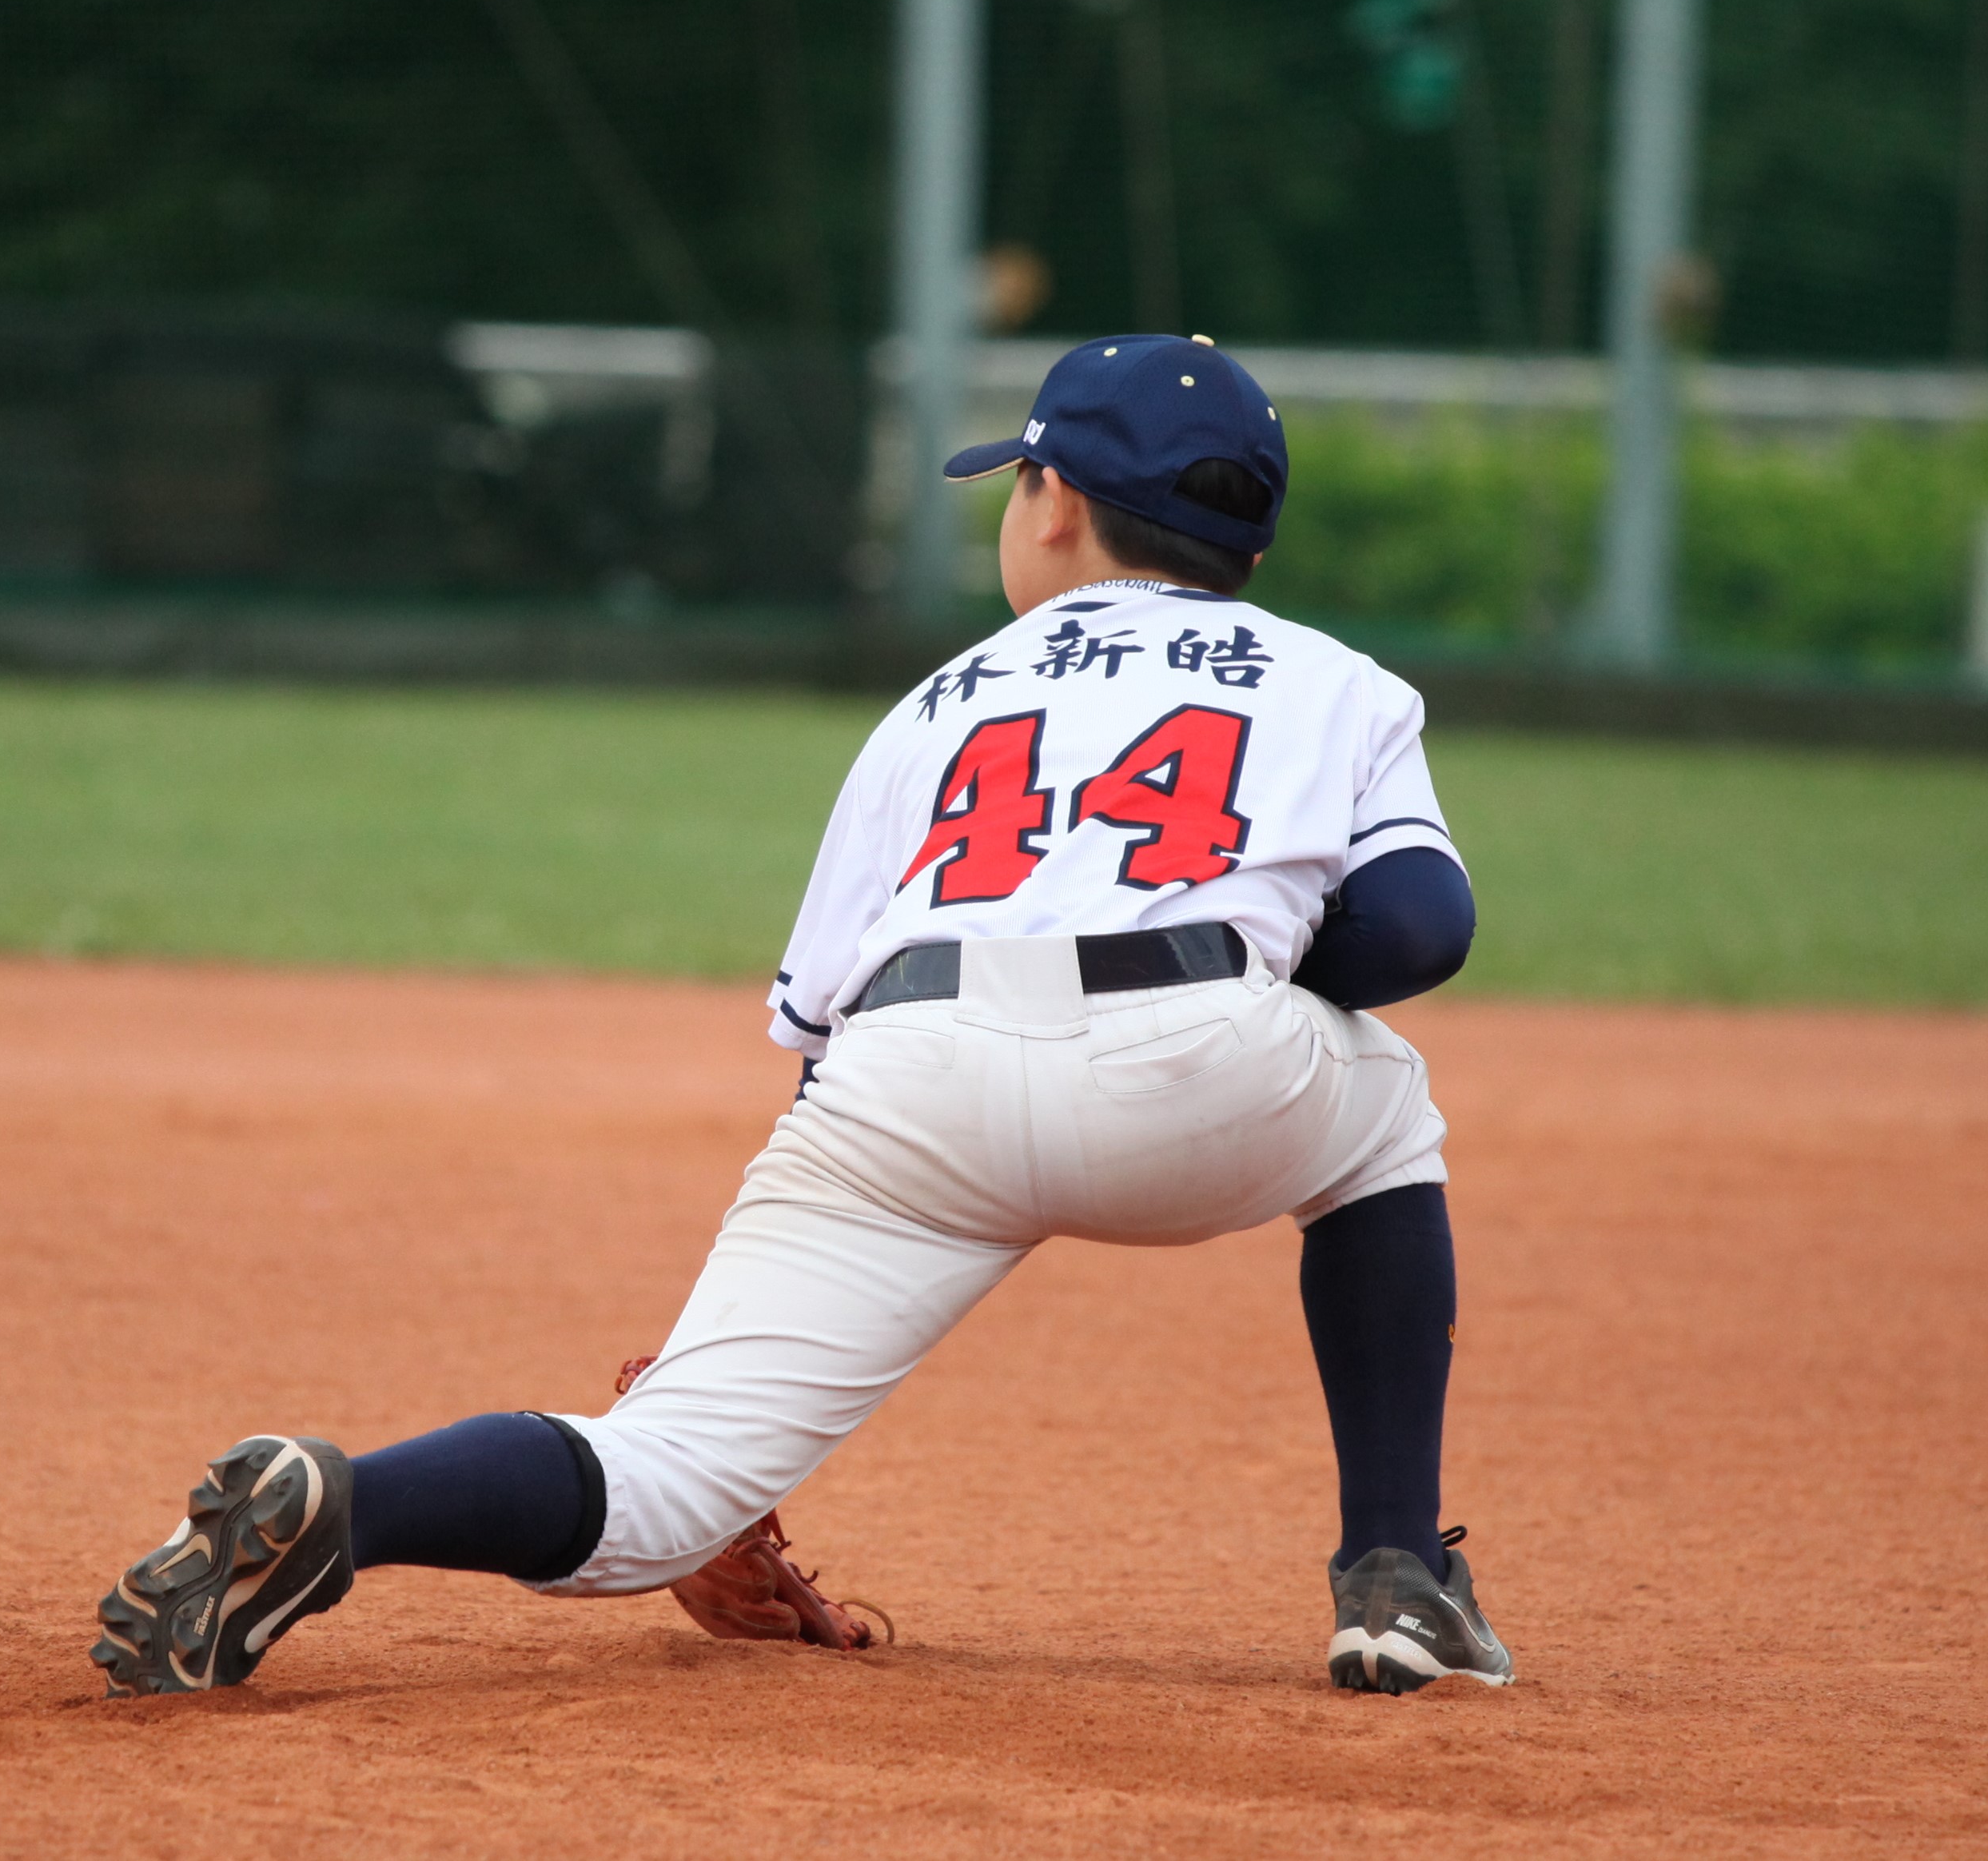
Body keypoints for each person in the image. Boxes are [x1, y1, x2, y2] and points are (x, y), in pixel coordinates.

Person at [89, 333, 1508, 1698]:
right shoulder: (1338, 681)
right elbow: (1420, 927)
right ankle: (1397, 1575)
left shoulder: (934, 704)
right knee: (1384, 1118)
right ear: (1249, 549)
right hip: (1206, 1068)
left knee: (661, 1475)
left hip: (906, 1081)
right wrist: (1235, 973)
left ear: (1057, 504)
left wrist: (758, 1292)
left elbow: (825, 1026)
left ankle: (350, 1503)